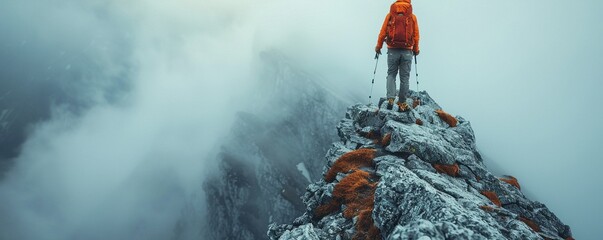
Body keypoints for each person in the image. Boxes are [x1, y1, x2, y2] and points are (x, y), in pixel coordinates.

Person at [375, 0, 420, 111]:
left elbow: (383, 32)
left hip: (392, 49)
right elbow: (416, 35)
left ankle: (390, 99)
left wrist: (378, 47)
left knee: (391, 74)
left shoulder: (391, 15)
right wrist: (416, 49)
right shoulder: (412, 17)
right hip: (407, 51)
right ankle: (402, 103)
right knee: (404, 78)